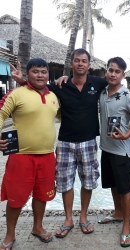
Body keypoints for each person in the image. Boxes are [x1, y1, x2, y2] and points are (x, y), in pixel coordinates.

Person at [11, 48, 130, 238]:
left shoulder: (98, 83)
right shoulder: (60, 85)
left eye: (84, 61)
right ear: (72, 64)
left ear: (89, 65)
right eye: (77, 60)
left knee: (88, 182)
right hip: (65, 142)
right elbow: (38, 88)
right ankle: (68, 218)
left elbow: (117, 85)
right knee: (65, 182)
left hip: (88, 142)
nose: (80, 64)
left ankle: (83, 217)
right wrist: (21, 81)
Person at [0, 58, 60, 249]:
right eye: (35, 71)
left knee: (42, 195)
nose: (40, 75)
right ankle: (10, 235)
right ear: (27, 74)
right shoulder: (17, 94)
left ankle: (38, 227)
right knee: (16, 198)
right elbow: (1, 114)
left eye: (43, 71)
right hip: (21, 157)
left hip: (47, 156)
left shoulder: (53, 97)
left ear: (48, 74)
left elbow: (61, 116)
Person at [97, 57, 130, 247]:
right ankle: (117, 213)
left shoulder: (126, 95)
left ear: (123, 75)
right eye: (110, 70)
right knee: (113, 184)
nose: (113, 74)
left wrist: (127, 135)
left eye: (117, 71)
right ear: (106, 72)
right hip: (106, 148)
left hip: (121, 151)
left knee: (125, 188)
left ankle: (127, 225)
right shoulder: (102, 92)